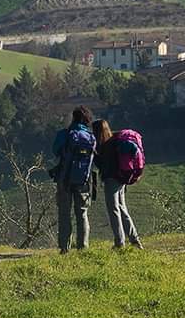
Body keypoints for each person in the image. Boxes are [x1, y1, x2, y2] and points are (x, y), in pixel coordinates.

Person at [51, 106, 95, 253]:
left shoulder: (64, 134)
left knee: (64, 214)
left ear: (73, 118)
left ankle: (64, 248)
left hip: (64, 178)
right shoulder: (90, 137)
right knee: (82, 213)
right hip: (83, 180)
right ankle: (83, 247)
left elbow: (55, 151)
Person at [94, 119, 143, 250]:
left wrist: (94, 154)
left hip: (112, 180)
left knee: (113, 210)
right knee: (122, 209)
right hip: (122, 179)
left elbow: (103, 165)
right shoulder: (115, 140)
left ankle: (119, 242)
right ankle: (135, 240)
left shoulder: (106, 146)